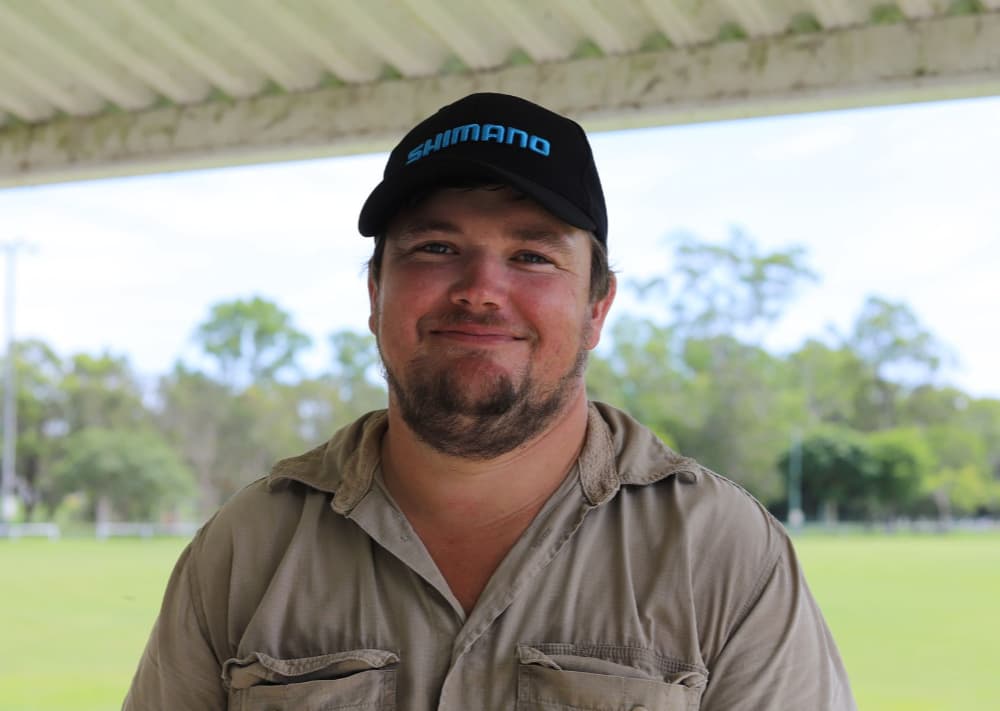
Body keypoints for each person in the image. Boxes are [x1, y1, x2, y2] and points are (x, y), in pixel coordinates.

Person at [124, 92, 856, 710]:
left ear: (597, 307)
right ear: (376, 295)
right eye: (435, 248)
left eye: (532, 255)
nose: (480, 288)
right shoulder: (248, 547)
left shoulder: (720, 550)